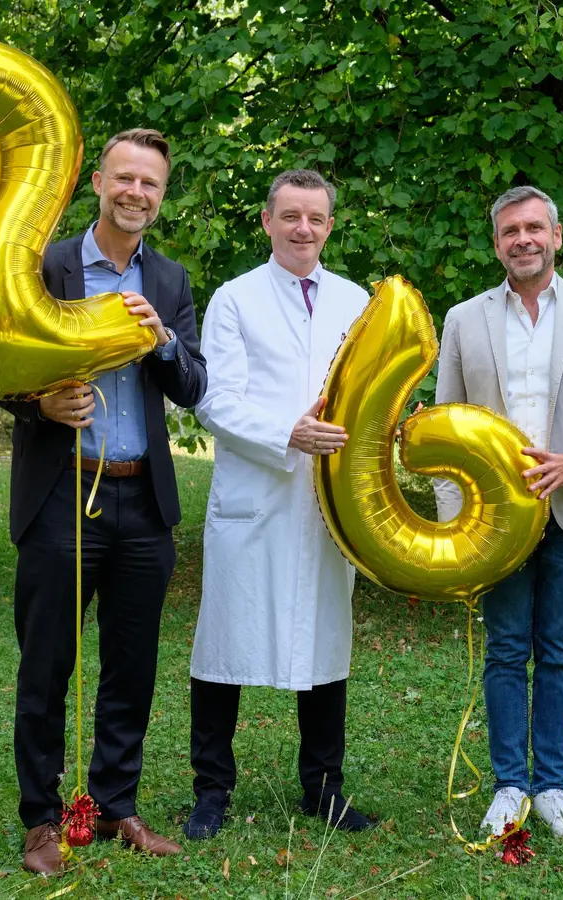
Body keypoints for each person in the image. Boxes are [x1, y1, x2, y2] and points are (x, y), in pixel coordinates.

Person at [0, 129, 205, 874]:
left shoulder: (170, 280)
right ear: (97, 182)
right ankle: (42, 821)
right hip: (61, 496)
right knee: (47, 663)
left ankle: (117, 807)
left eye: (150, 183)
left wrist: (164, 346)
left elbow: (193, 386)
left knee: (132, 665)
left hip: (142, 501)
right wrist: (39, 404)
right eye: (125, 178)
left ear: (161, 194)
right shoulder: (44, 265)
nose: (136, 193)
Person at [185, 169, 374, 839]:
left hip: (328, 501)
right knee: (223, 646)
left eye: (315, 218)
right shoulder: (234, 299)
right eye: (290, 216)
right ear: (266, 222)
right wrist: (286, 432)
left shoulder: (357, 302)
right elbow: (216, 399)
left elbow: (370, 397)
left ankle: (323, 788)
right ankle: (211, 790)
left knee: (326, 645)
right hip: (257, 494)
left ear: (329, 226)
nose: (303, 228)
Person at [433, 185, 563, 842]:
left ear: (557, 236)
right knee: (507, 651)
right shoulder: (462, 320)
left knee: (561, 652)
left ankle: (553, 788)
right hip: (494, 522)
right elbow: (445, 430)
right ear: (496, 244)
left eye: (534, 228)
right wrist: (458, 526)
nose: (523, 239)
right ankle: (510, 784)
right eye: (510, 231)